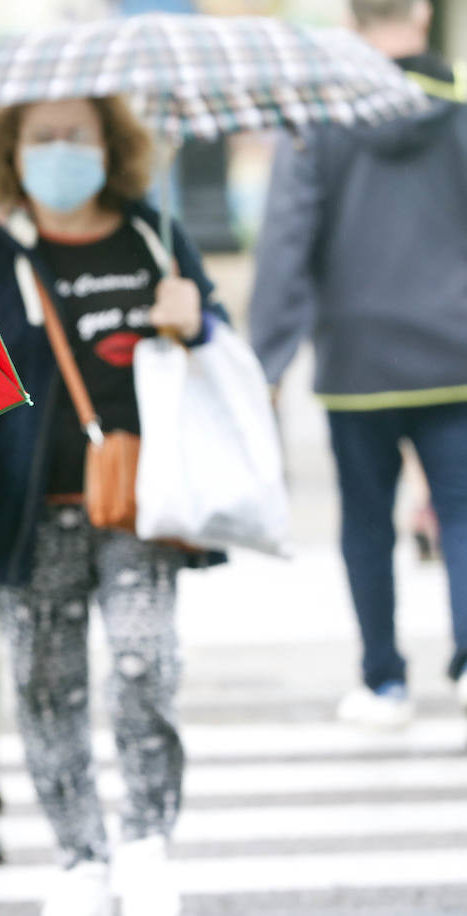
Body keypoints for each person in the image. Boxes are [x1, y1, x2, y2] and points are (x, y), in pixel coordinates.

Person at [0, 97, 227, 916]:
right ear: (9, 149)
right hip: (29, 517)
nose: (61, 151)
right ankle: (81, 858)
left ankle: (147, 843)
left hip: (141, 507)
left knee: (144, 669)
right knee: (49, 691)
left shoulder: (153, 235)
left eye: (77, 136)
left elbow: (219, 342)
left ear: (111, 145)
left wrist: (196, 322)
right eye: (41, 138)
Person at [249, 0, 467, 728]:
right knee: (463, 516)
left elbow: (286, 242)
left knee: (366, 525)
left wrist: (269, 360)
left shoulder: (321, 117)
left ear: (351, 21)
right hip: (456, 353)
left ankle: (383, 682)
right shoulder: (460, 104)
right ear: (424, 12)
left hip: (356, 362)